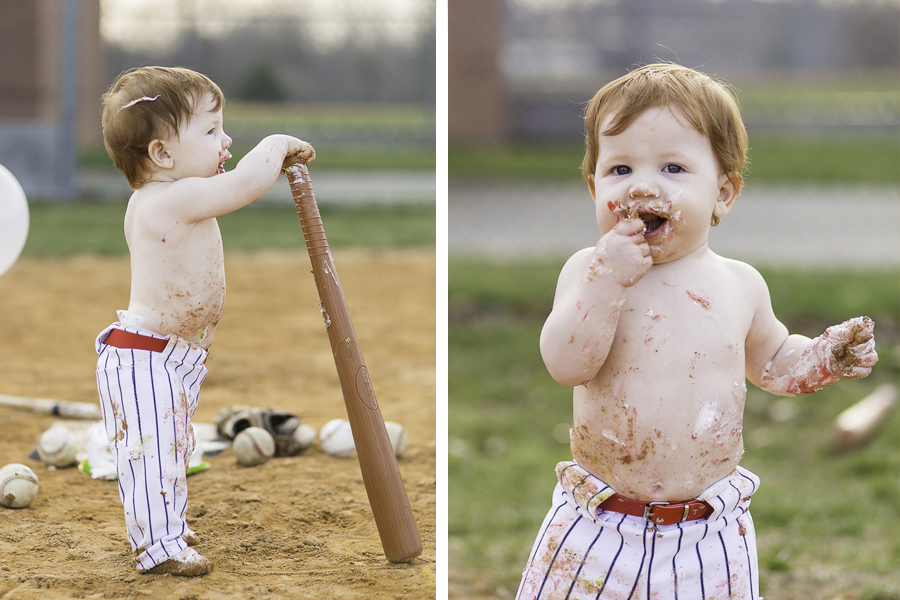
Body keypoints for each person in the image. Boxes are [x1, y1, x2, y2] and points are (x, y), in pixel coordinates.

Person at [515, 63, 877, 600]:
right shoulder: (588, 273)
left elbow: (773, 360)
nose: (642, 184)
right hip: (595, 526)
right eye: (619, 170)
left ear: (723, 194)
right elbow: (567, 364)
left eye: (673, 168)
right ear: (593, 186)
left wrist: (824, 357)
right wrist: (606, 281)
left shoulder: (740, 285)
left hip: (707, 535)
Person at [94, 66, 314, 576]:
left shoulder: (175, 195)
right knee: (150, 454)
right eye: (211, 131)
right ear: (162, 155)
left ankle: (167, 525)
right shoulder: (168, 199)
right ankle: (158, 547)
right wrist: (277, 145)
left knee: (172, 446)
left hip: (174, 357)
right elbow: (246, 184)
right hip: (144, 357)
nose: (226, 139)